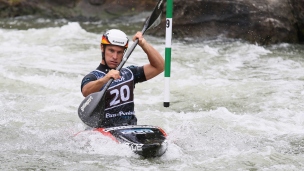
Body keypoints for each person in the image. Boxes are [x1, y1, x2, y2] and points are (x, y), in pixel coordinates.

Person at [80, 29, 164, 127]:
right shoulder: (94, 76)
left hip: (129, 128)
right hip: (105, 131)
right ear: (102, 48)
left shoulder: (129, 73)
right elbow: (86, 91)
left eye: (119, 52)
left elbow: (160, 66)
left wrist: (143, 44)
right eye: (111, 50)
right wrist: (105, 79)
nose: (115, 56)